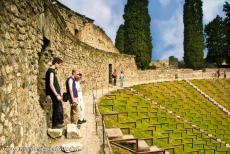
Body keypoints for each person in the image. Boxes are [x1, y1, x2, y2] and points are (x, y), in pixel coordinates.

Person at [45, 57, 64, 129]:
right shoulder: (51, 71)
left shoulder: (52, 71)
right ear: (56, 63)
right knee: (56, 108)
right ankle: (55, 125)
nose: (59, 66)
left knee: (59, 107)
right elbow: (51, 84)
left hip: (56, 93)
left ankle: (58, 123)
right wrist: (56, 95)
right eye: (59, 65)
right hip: (54, 94)